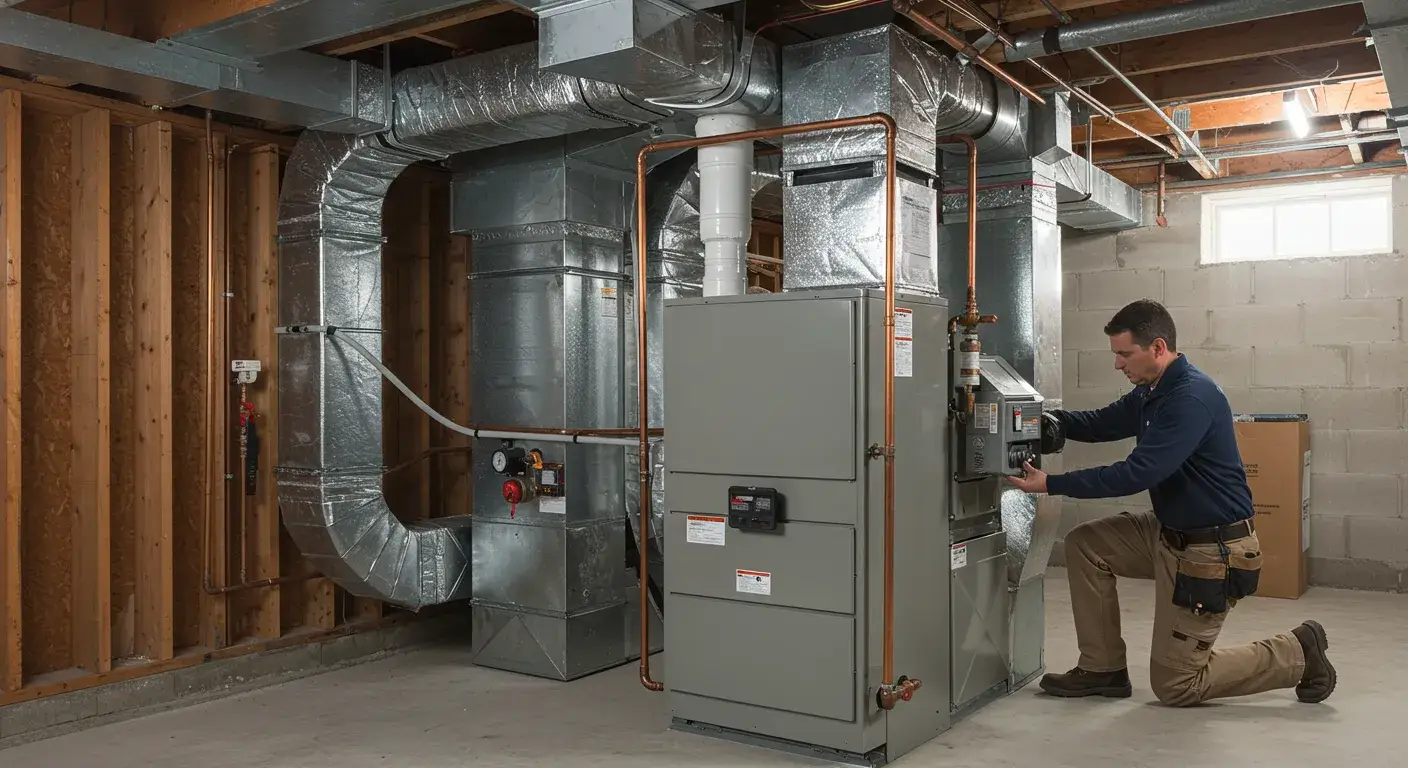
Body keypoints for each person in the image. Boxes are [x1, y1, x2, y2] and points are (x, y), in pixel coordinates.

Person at [1007, 299, 1336, 707]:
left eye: (1124, 354)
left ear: (1158, 348)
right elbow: (1101, 422)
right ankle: (1102, 668)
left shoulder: (1189, 399)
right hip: (1168, 532)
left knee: (1177, 685)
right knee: (1086, 546)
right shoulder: (1152, 390)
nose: (1117, 364)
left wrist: (1050, 483)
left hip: (1211, 552)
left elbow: (1136, 473)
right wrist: (1041, 419)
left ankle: (1298, 652)